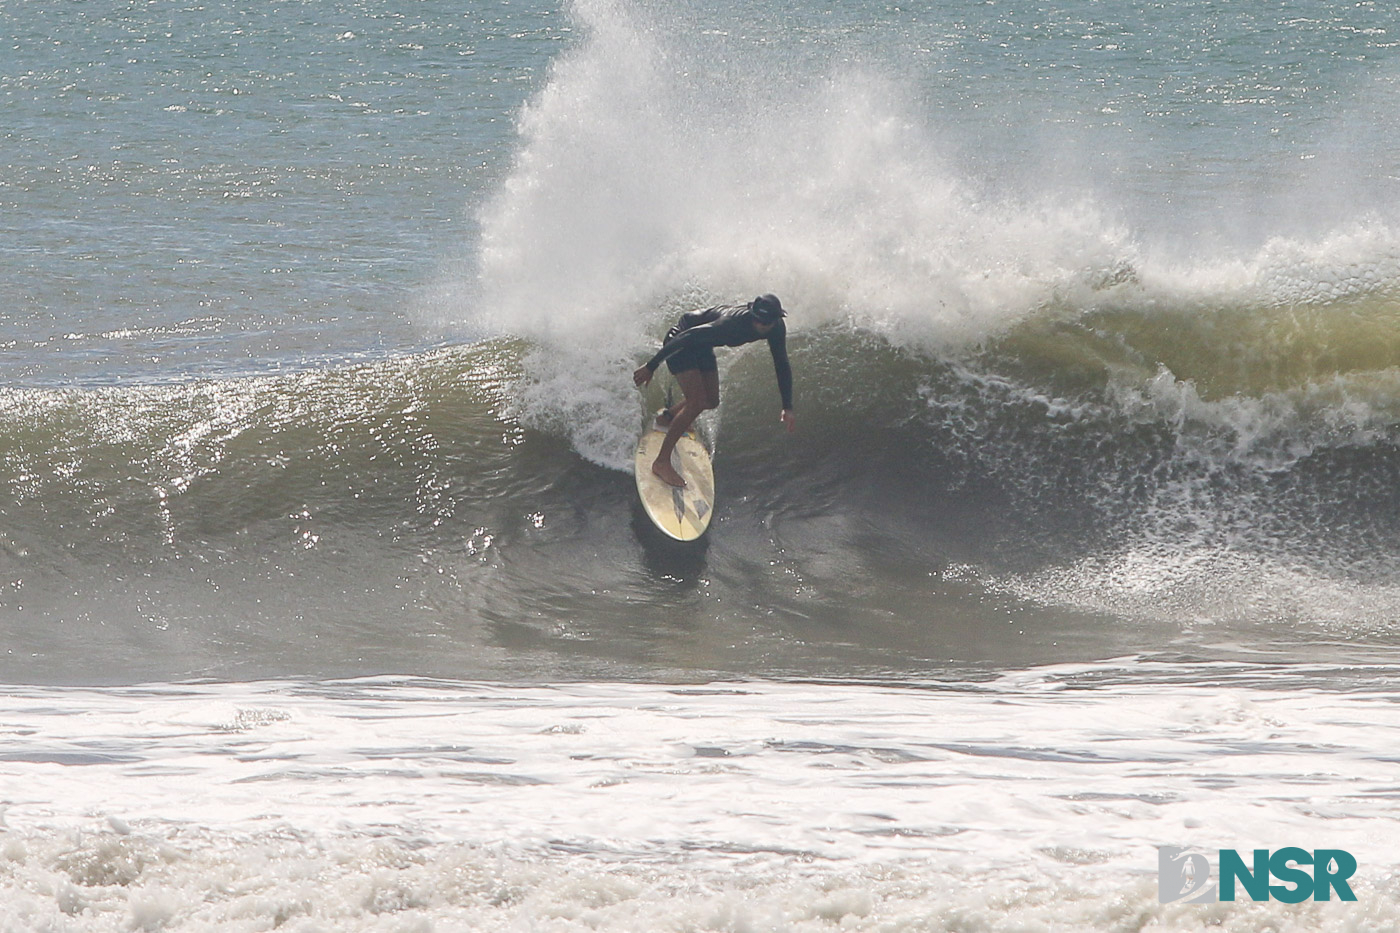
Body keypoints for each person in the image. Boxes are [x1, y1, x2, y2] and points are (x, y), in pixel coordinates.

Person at [633, 293, 795, 487]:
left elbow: (782, 363)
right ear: (752, 315)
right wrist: (651, 366)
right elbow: (688, 336)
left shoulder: (776, 328)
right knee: (697, 402)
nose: (761, 326)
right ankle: (661, 463)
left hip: (703, 345)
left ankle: (668, 419)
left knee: (711, 400)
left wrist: (787, 405)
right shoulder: (730, 324)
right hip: (681, 340)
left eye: (766, 322)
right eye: (758, 321)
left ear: (776, 319)